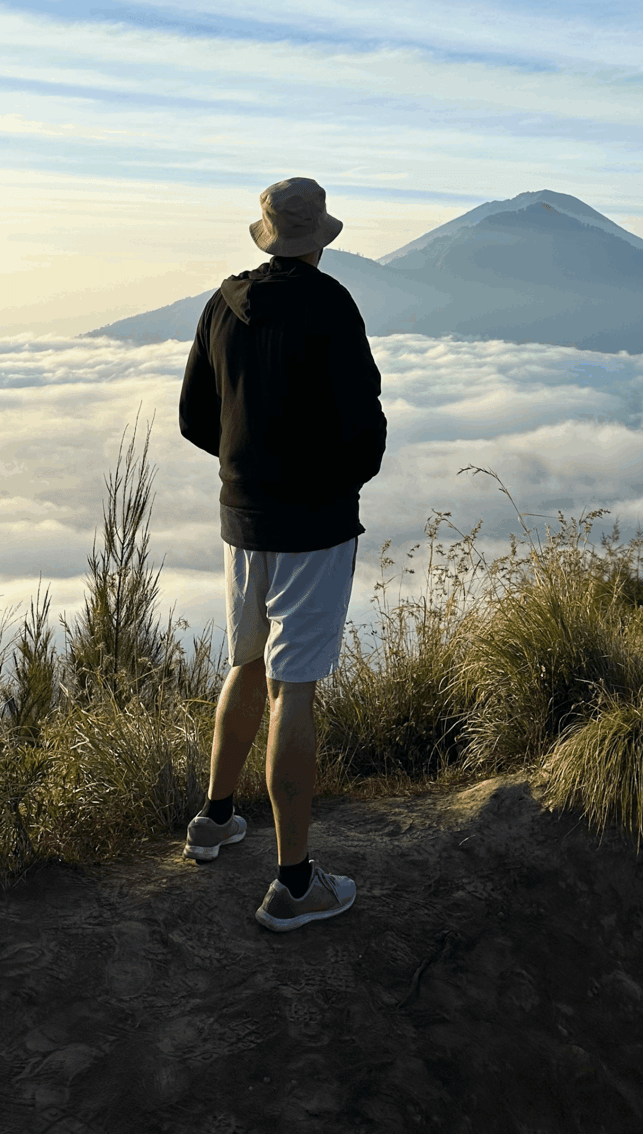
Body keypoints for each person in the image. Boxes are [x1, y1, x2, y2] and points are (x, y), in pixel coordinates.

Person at [177, 176, 387, 931]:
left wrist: (248, 469)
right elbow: (364, 425)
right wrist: (334, 482)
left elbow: (195, 417)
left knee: (247, 663)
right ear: (320, 238)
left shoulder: (222, 305)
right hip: (314, 524)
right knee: (294, 687)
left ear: (266, 235)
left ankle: (213, 819)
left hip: (244, 518)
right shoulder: (332, 307)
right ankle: (295, 884)